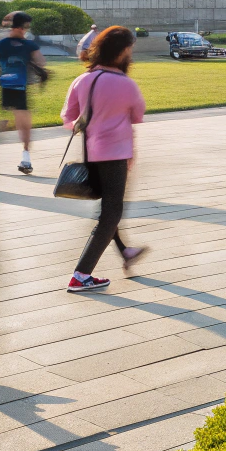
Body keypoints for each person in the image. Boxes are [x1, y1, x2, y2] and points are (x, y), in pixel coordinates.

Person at [59, 26, 149, 293]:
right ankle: (81, 275)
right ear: (122, 52)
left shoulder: (82, 80)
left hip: (91, 152)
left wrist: (88, 122)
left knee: (108, 209)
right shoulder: (125, 83)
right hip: (116, 154)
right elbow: (138, 114)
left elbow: (68, 118)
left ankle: (125, 251)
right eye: (130, 49)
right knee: (111, 213)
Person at [0, 11, 47, 175]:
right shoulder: (29, 45)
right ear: (24, 26)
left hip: (6, 87)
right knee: (24, 124)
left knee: (3, 123)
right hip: (20, 88)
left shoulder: (2, 44)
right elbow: (41, 62)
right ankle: (26, 158)